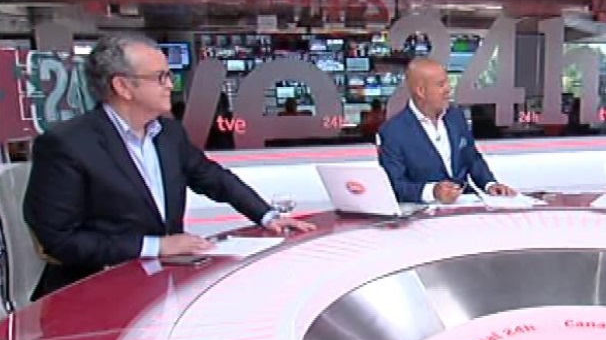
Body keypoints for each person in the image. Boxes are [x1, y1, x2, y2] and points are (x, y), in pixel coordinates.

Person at [23, 33, 315, 300]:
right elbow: (58, 240)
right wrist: (156, 246)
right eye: (159, 77)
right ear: (123, 86)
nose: (170, 85)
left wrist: (267, 216)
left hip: (161, 287)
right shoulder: (66, 144)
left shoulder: (169, 134)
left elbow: (213, 178)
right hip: (91, 296)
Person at [377, 57, 515, 204]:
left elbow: (472, 158)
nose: (449, 89)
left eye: (448, 82)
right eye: (441, 84)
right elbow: (395, 185)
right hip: (424, 210)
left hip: (466, 203)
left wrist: (490, 184)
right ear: (421, 91)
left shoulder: (456, 117)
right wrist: (433, 192)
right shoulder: (393, 132)